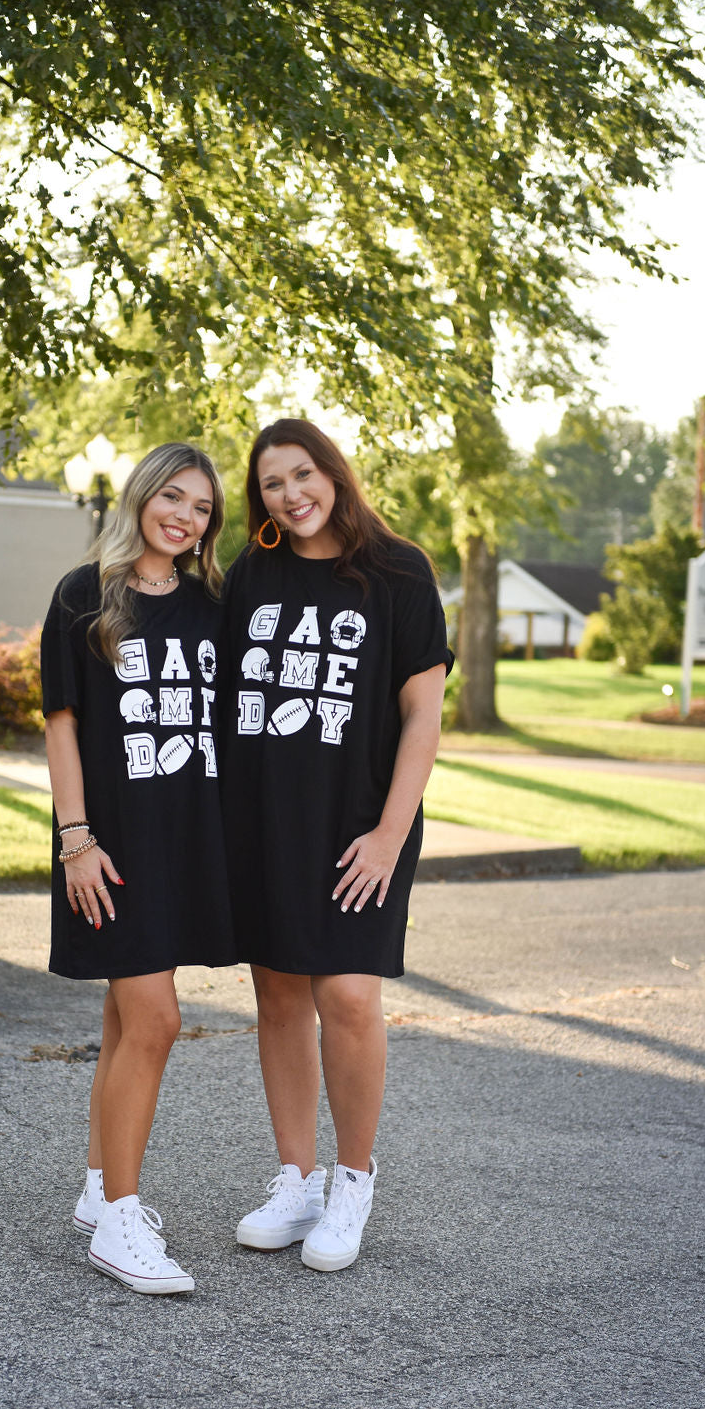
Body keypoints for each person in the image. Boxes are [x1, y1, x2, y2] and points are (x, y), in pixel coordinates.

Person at [221, 418, 452, 1272]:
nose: (292, 493)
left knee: (348, 997)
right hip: (265, 821)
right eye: (273, 483)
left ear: (335, 472)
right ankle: (297, 1179)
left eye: (303, 473)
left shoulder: (399, 570)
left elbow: (422, 716)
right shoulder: (253, 572)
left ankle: (353, 1180)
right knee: (280, 997)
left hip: (361, 826)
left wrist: (391, 835)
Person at [40, 442, 235, 1295]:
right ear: (143, 494)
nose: (186, 517)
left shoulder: (211, 603)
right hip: (109, 847)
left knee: (127, 1017)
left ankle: (95, 1185)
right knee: (156, 1018)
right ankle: (121, 1222)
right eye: (175, 497)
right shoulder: (84, 595)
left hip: (184, 838)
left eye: (202, 509)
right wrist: (76, 840)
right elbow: (62, 726)